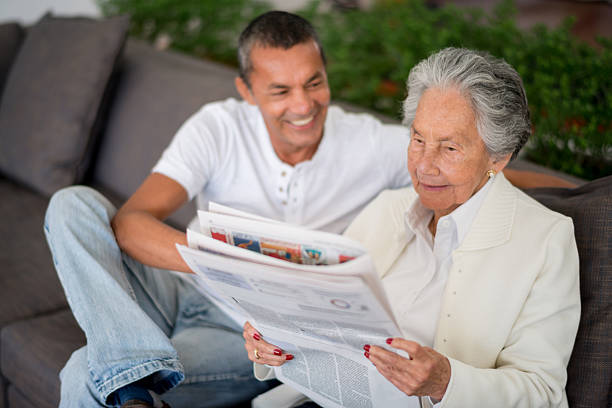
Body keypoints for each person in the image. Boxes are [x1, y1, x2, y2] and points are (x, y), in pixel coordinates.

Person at [44, 10, 573, 408]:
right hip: (192, 290)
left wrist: (578, 188)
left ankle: (126, 380)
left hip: (236, 331)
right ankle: (134, 364)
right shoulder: (219, 127)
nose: (302, 105)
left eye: (313, 82)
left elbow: (484, 163)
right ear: (247, 91)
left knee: (80, 372)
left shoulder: (371, 145)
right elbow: (131, 224)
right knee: (73, 206)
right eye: (279, 90)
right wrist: (234, 269)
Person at [242, 48, 581, 408]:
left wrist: (446, 383)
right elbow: (314, 311)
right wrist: (271, 341)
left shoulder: (545, 242)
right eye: (418, 140)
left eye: (449, 148)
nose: (424, 166)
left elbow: (542, 393)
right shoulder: (387, 207)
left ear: (499, 156)